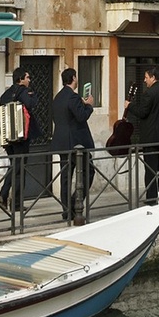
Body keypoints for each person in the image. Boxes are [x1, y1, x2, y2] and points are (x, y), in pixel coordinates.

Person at [124, 66, 159, 204]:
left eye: (146, 77)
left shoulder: (150, 93)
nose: (144, 80)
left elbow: (142, 112)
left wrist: (129, 106)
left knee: (151, 170)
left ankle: (152, 198)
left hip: (152, 138)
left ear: (153, 77)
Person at [51, 67, 95, 220]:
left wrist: (80, 104)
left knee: (65, 177)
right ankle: (75, 204)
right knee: (88, 172)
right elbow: (81, 116)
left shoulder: (58, 97)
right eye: (76, 77)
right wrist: (89, 105)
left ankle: (66, 210)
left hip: (61, 142)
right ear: (74, 78)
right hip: (76, 143)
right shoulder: (73, 97)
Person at [0, 67, 40, 211]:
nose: (29, 80)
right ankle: (14, 203)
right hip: (20, 138)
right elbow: (31, 104)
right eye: (27, 77)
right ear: (20, 79)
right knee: (19, 169)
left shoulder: (5, 94)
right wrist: (33, 95)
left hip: (8, 137)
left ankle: (4, 195)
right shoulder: (23, 91)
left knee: (14, 165)